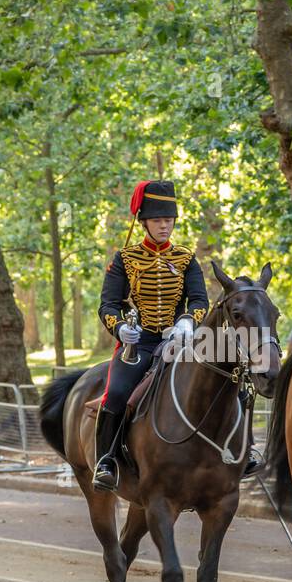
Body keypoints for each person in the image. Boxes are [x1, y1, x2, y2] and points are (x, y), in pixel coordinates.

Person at [94, 179, 209, 491]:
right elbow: (108, 303)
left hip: (180, 341)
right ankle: (106, 460)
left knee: (225, 377)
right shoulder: (126, 258)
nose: (164, 226)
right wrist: (120, 328)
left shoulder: (186, 258)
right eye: (158, 220)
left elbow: (199, 299)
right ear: (144, 222)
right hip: (141, 342)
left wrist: (187, 321)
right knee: (117, 393)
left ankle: (240, 452)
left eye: (168, 221)